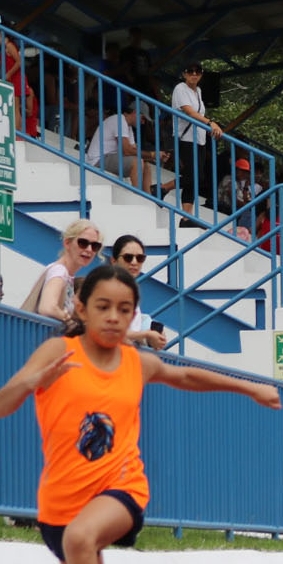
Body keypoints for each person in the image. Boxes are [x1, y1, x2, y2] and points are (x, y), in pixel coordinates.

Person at [0, 264, 282, 564]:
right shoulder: (56, 352)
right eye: (103, 307)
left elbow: (186, 378)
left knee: (81, 539)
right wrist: (32, 381)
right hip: (59, 502)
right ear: (81, 308)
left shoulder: (135, 363)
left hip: (121, 488)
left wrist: (250, 388)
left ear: (133, 317)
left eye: (124, 310)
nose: (113, 318)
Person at [170, 63, 223, 219]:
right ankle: (163, 187)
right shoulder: (180, 88)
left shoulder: (198, 91)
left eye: (198, 72)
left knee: (196, 179)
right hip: (185, 138)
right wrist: (210, 123)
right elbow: (190, 112)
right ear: (184, 74)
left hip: (199, 139)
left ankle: (187, 217)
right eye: (190, 71)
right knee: (193, 177)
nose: (194, 74)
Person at [24, 219, 103, 320]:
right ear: (67, 243)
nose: (89, 249)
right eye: (83, 243)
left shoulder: (66, 274)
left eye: (95, 246)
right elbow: (47, 308)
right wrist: (69, 321)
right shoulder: (60, 271)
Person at [85, 101, 161, 190]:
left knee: (146, 165)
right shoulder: (119, 120)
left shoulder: (128, 127)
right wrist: (152, 154)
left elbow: (135, 151)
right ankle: (139, 196)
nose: (143, 122)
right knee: (137, 162)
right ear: (135, 112)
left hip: (108, 158)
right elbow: (127, 151)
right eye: (143, 118)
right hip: (97, 161)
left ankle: (148, 200)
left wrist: (156, 156)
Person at [110, 235, 167, 349]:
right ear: (114, 261)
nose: (134, 262)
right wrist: (146, 334)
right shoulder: (108, 290)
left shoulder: (131, 291)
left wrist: (150, 332)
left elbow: (132, 328)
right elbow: (108, 331)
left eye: (140, 258)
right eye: (128, 257)